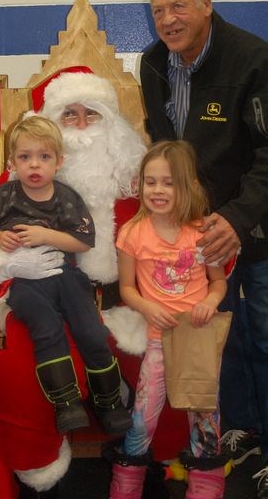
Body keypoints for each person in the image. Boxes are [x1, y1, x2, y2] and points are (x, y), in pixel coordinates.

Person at [0, 68, 164, 497]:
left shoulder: (138, 179)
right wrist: (6, 266)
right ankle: (38, 459)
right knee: (24, 368)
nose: (80, 127)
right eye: (69, 115)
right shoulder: (16, 188)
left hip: (125, 301)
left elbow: (169, 240)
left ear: (111, 124)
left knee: (159, 352)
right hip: (42, 293)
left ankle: (153, 455)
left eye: (91, 115)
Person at [140, 0, 268, 497]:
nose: (168, 19)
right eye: (158, 10)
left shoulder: (253, 59)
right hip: (196, 239)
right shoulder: (152, 64)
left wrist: (236, 221)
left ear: (207, 4)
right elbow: (166, 148)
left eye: (178, 6)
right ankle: (241, 429)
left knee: (264, 335)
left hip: (254, 228)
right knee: (225, 337)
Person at [0, 115, 132, 436]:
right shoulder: (5, 196)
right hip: (26, 283)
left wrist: (45, 235)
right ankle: (66, 402)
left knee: (91, 330)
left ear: (58, 162)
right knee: (46, 329)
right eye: (25, 157)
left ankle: (109, 402)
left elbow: (84, 240)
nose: (34, 165)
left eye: (44, 157)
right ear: (12, 162)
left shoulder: (65, 197)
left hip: (65, 275)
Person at [108, 140, 228, 499]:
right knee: (144, 415)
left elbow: (218, 281)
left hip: (199, 339)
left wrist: (210, 300)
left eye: (168, 182)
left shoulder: (203, 232)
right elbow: (126, 288)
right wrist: (147, 307)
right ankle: (126, 485)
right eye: (150, 181)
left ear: (187, 185)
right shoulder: (132, 233)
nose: (158, 190)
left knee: (205, 416)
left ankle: (207, 489)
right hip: (160, 339)